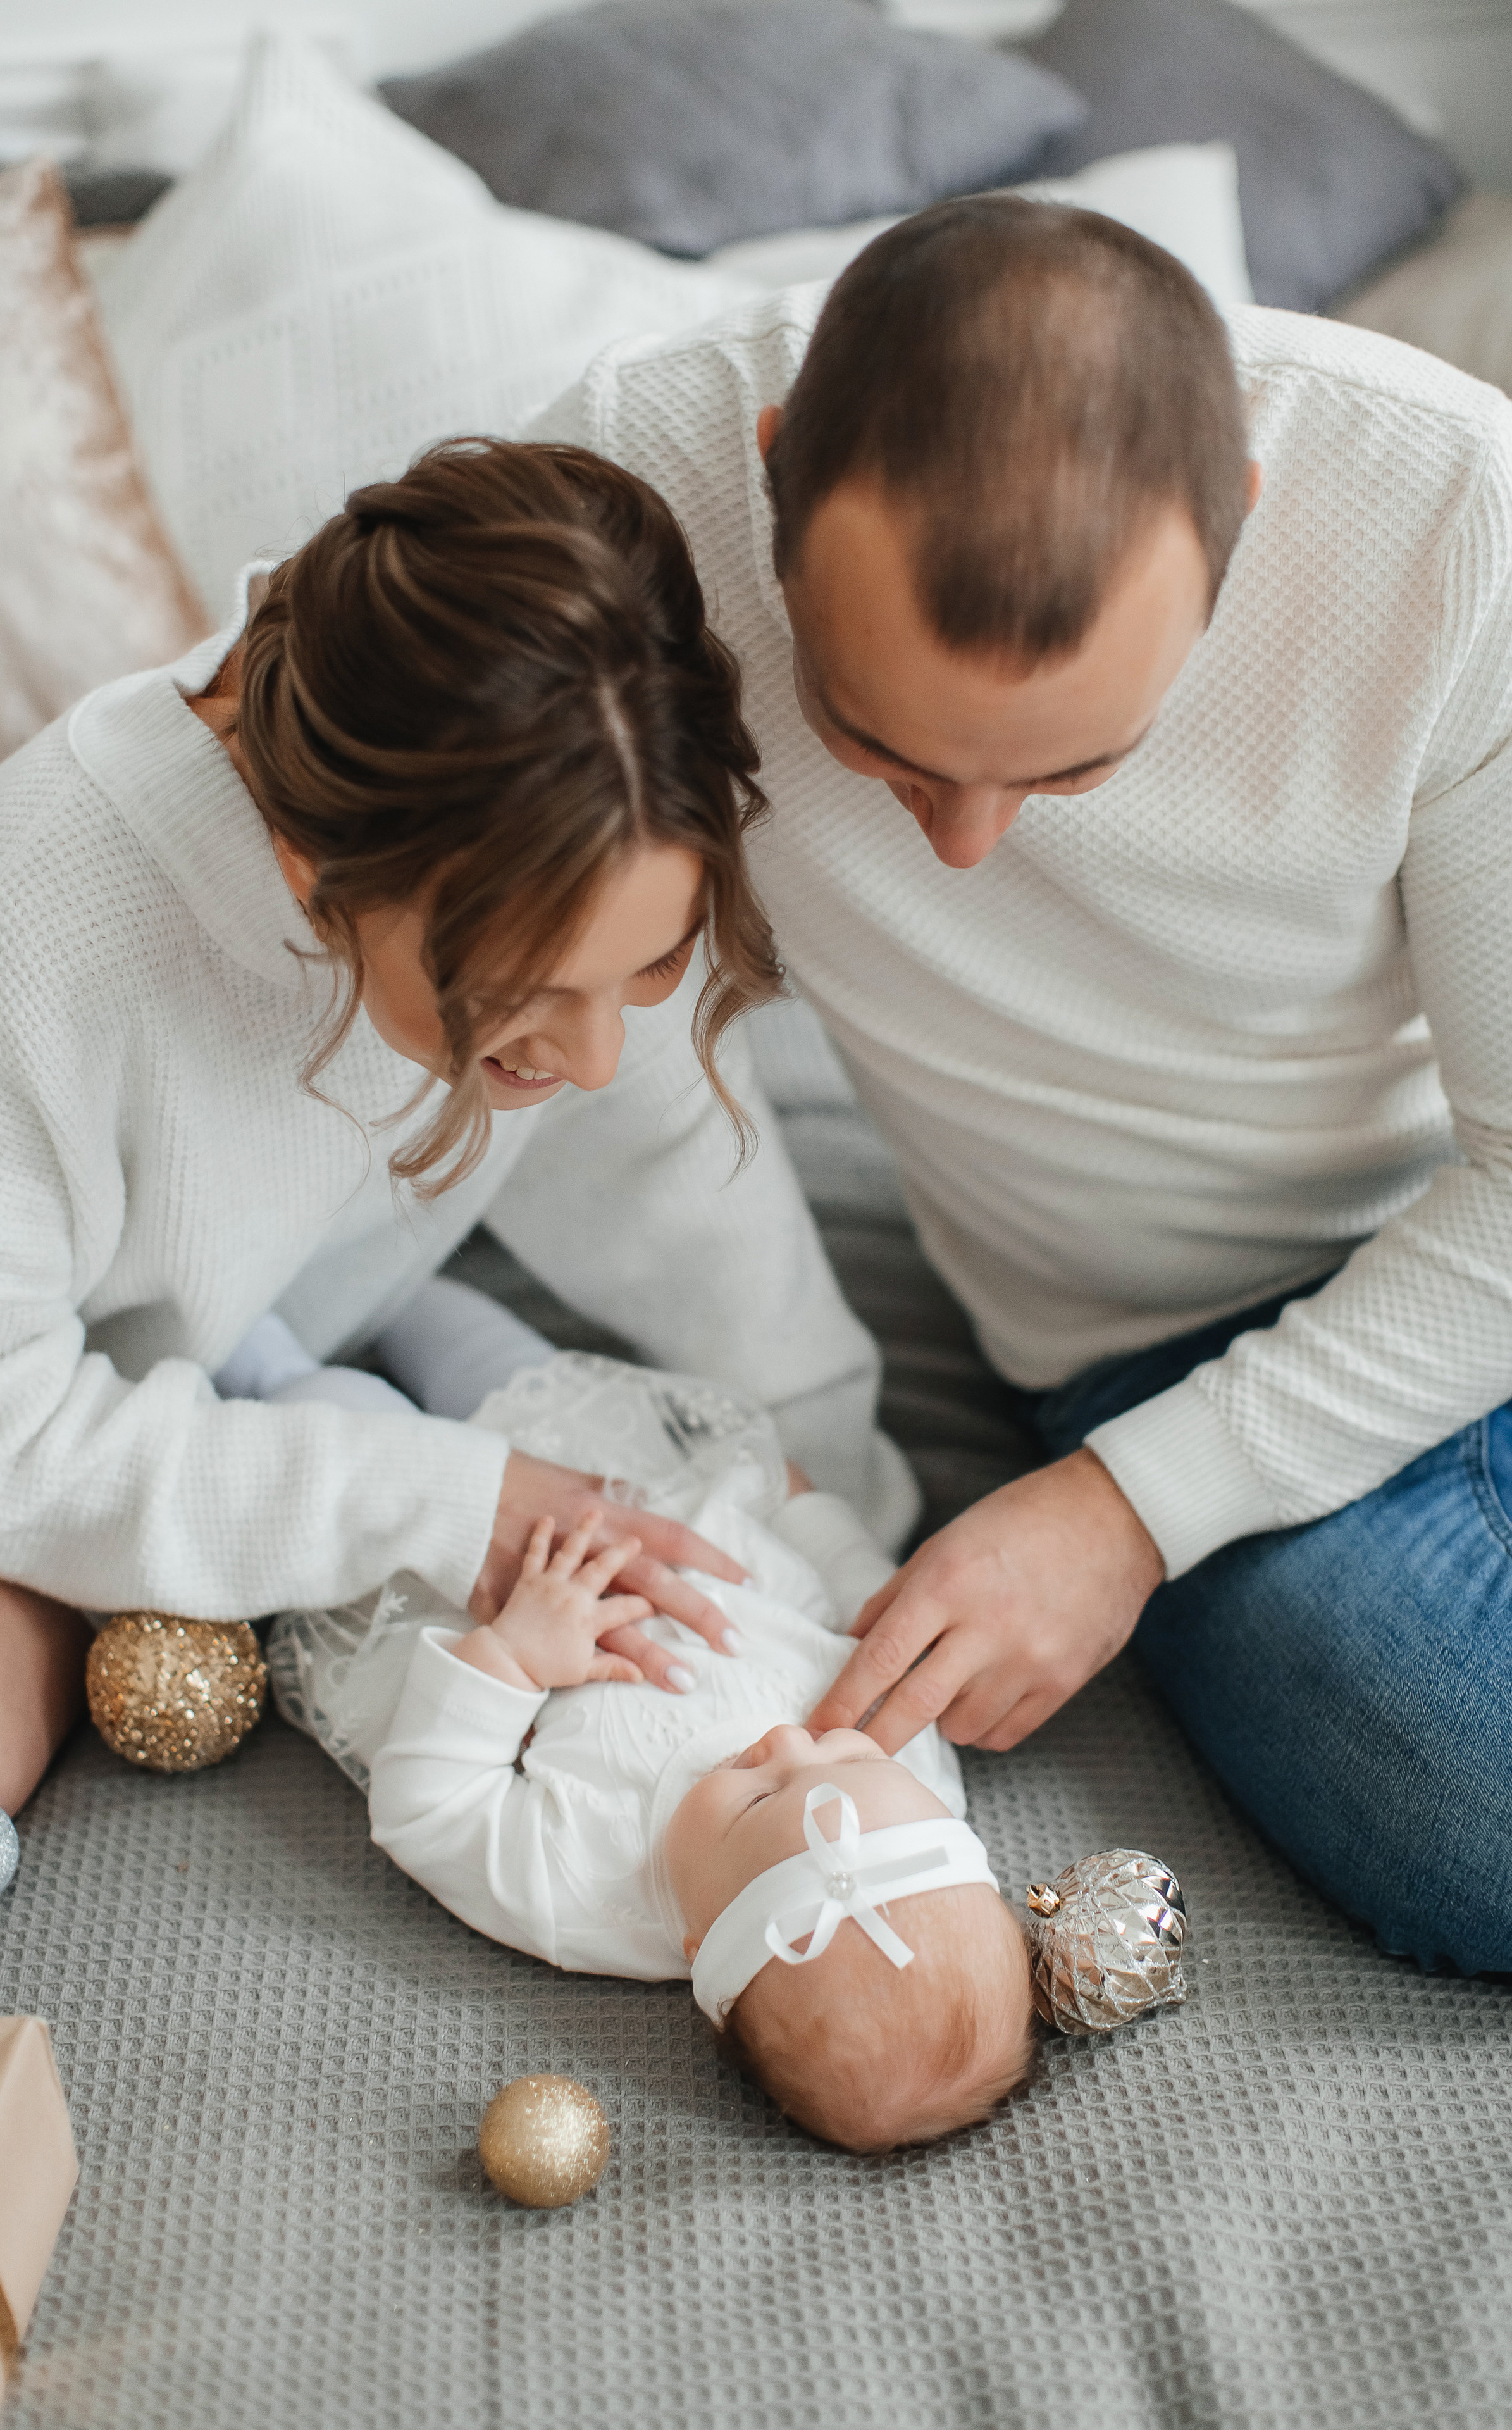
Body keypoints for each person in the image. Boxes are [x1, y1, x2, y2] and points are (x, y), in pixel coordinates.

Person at [530, 196, 1512, 1973]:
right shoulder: (620, 491)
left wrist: (1133, 1514)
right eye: (874, 743)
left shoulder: (1454, 522)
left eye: (1080, 764)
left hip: (1458, 1209)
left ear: (1243, 533)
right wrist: (1133, 1486)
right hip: (1149, 1330)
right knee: (1473, 1818)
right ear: (767, 478)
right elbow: (297, 730)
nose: (966, 851)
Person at [0, 440, 912, 1847]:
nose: (597, 1056)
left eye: (645, 971)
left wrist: (846, 1533)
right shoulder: (37, 925)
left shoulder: (585, 811)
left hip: (249, 1372)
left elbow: (676, 1187)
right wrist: (432, 1502)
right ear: (319, 875)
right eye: (526, 999)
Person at [344, 1368, 1034, 2152]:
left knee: (342, 1402)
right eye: (849, 1757)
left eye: (756, 1798)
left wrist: (513, 1655)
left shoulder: (591, 1889)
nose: (788, 1743)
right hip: (645, 1485)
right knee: (494, 1354)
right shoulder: (919, 1775)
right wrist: (807, 1514)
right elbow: (872, 1613)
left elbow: (432, 1811)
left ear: (701, 1942)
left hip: (477, 1572)